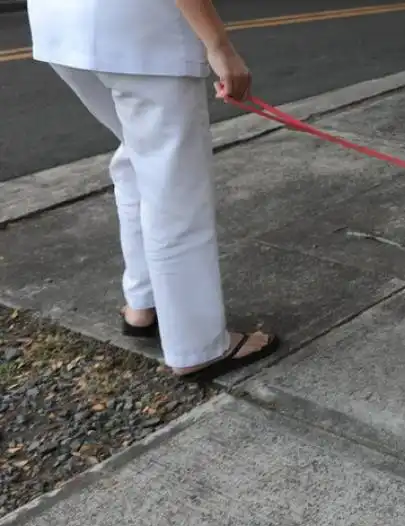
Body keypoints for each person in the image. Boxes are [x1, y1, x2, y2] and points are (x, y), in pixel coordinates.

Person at [26, 0, 279, 379]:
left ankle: (142, 302)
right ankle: (197, 345)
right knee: (175, 187)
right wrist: (218, 44)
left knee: (138, 158)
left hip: (59, 24)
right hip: (141, 31)